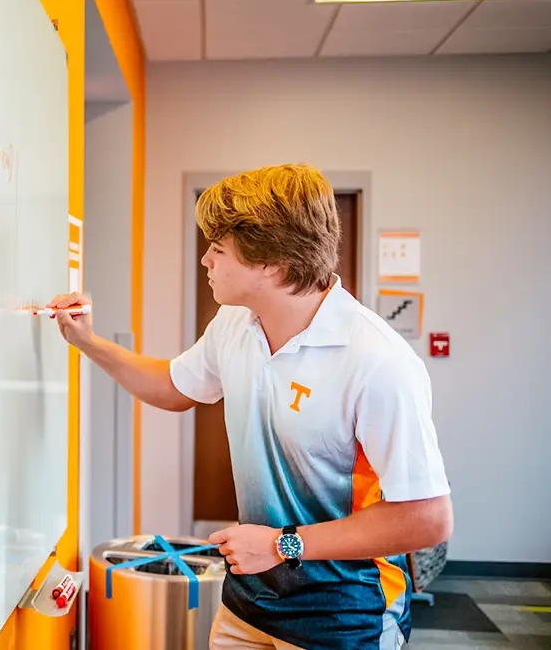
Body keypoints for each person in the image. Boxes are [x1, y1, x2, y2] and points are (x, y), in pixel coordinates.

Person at [46, 164, 452, 650]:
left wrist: (284, 544)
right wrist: (87, 342)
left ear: (273, 265)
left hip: (344, 616)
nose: (205, 260)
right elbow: (176, 388)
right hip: (247, 605)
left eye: (218, 250)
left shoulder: (376, 360)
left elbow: (427, 518)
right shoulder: (235, 323)